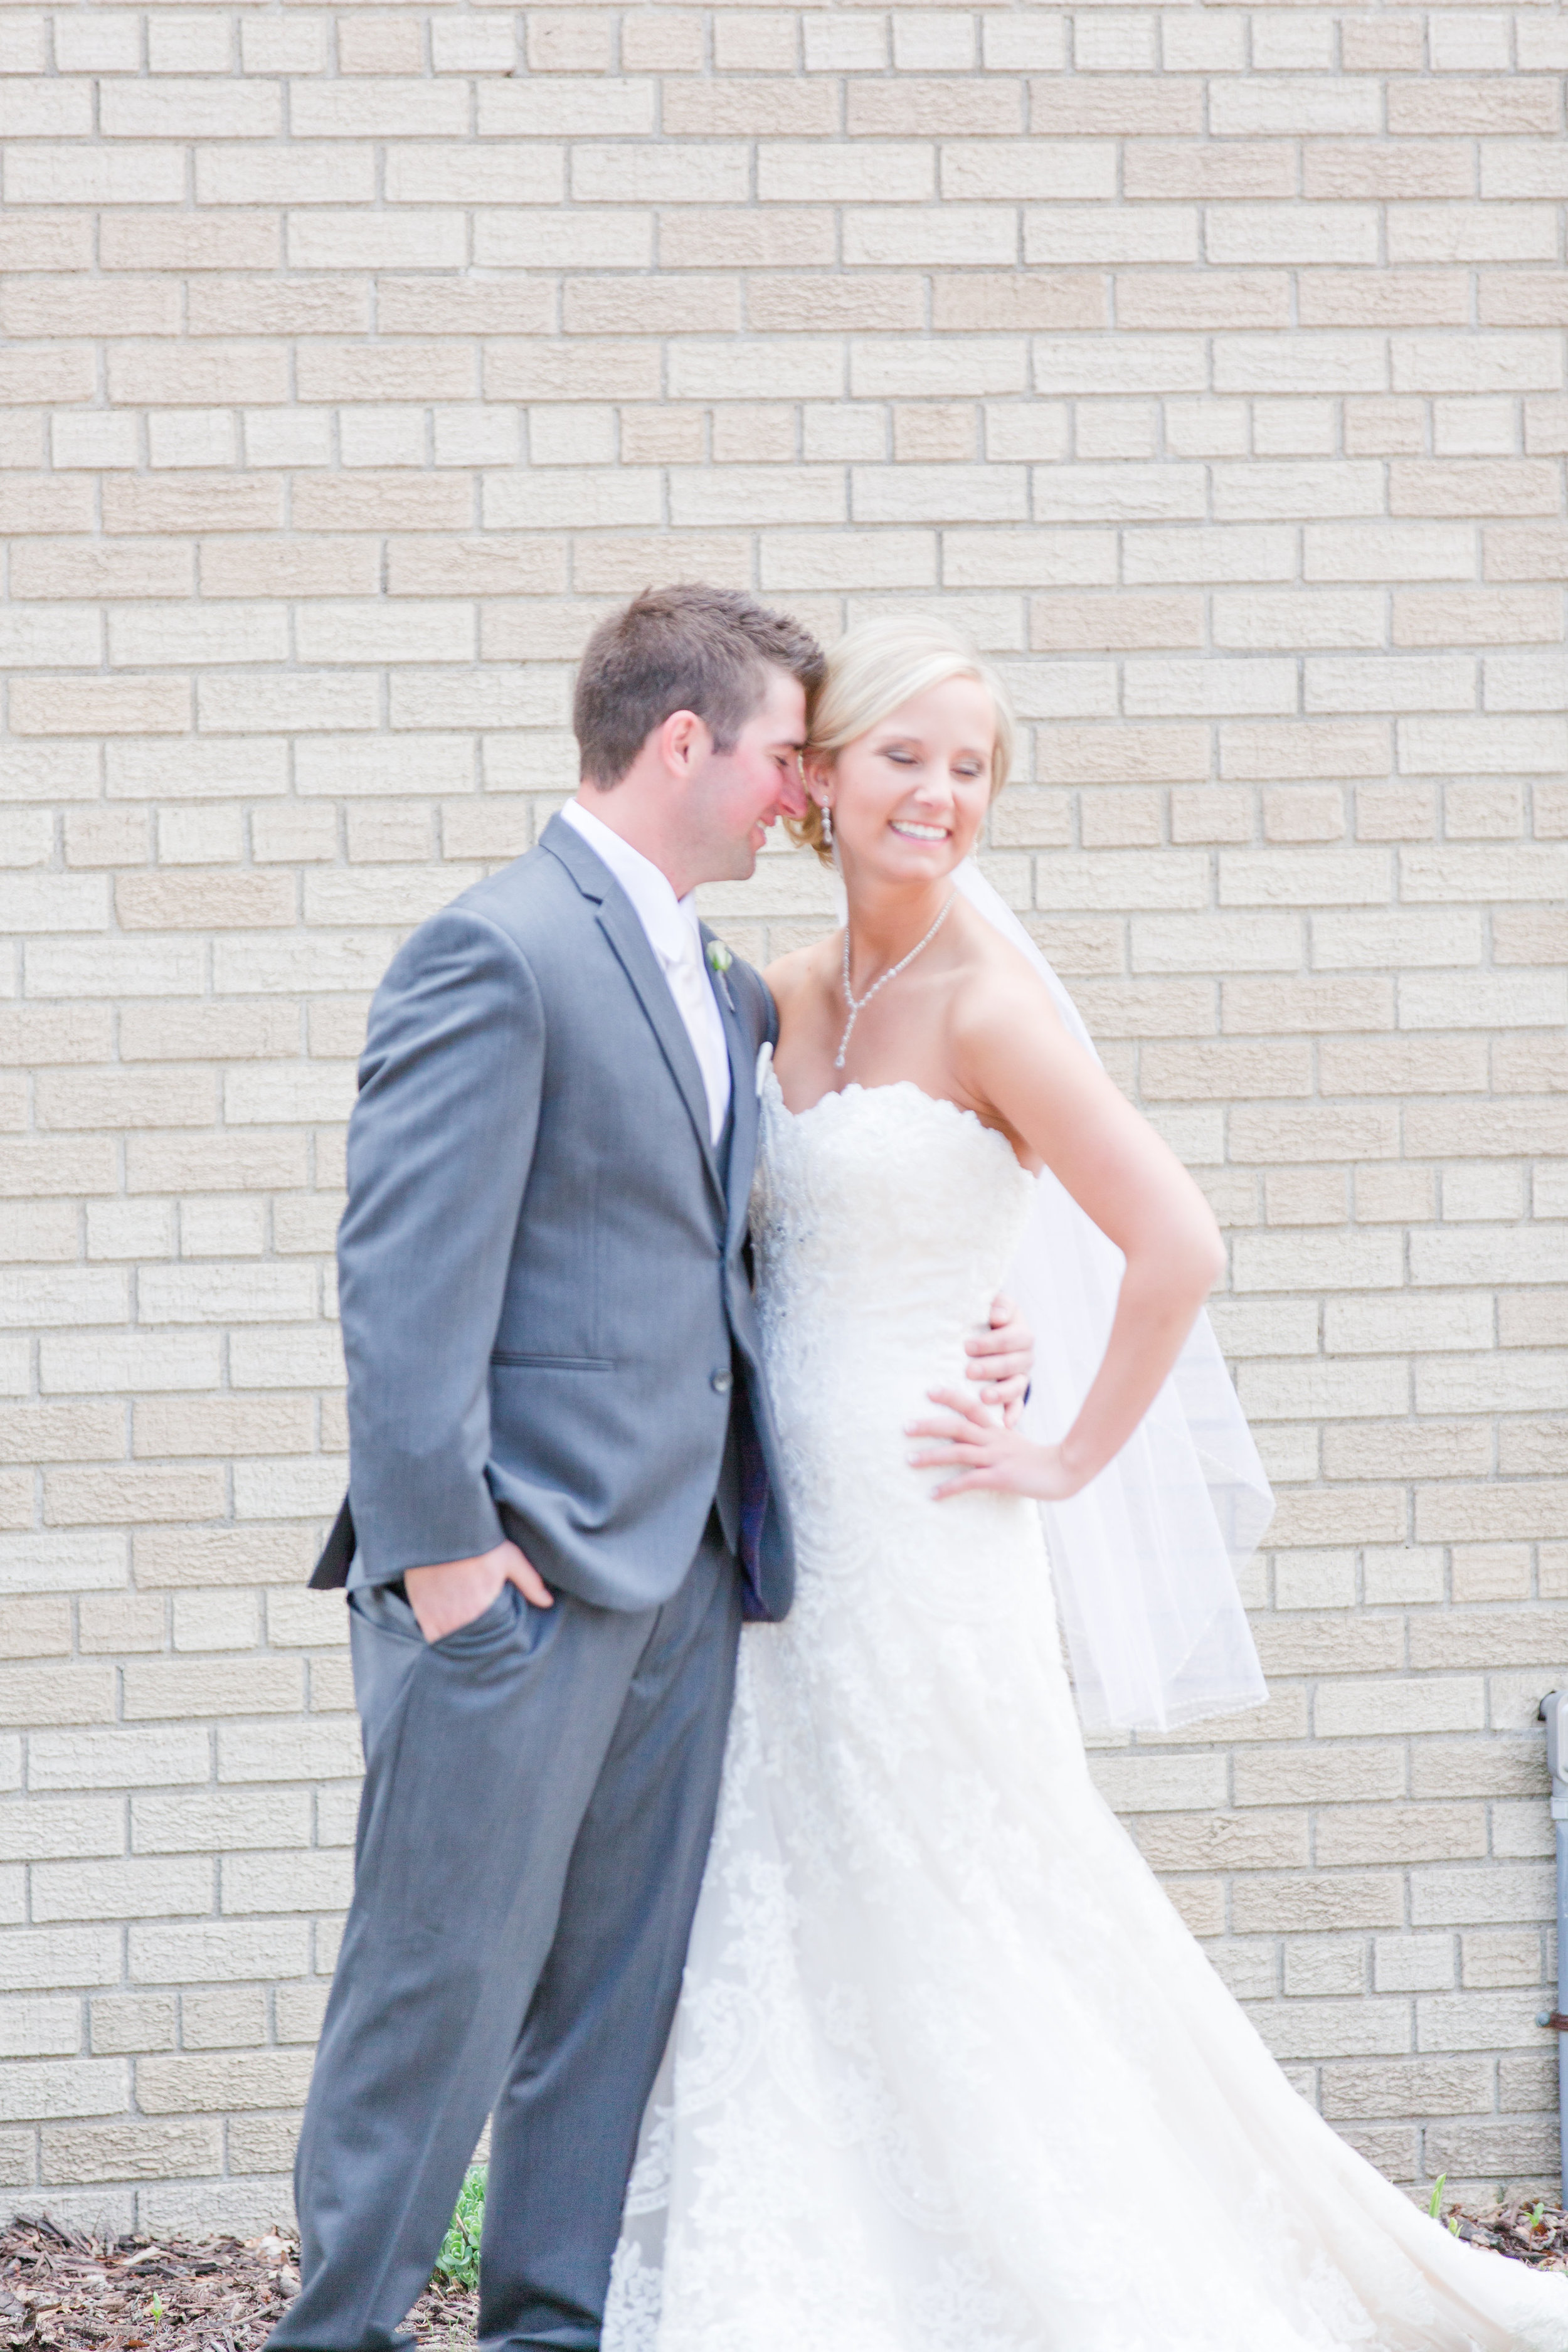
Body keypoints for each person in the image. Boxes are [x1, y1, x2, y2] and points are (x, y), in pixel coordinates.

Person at [603, 616, 1568, 2352]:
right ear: (817, 780)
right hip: (778, 1543)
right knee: (807, 1883)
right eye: (907, 755)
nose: (940, 793)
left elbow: (1173, 1243)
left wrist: (1054, 1447)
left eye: (970, 767)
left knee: (972, 1884)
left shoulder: (986, 1002)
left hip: (928, 1522)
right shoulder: (789, 992)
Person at [267, 586, 1036, 2352]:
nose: (799, 792)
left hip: (693, 1574)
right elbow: (399, 1290)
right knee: (437, 1995)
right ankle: (342, 2335)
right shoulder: (497, 950)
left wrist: (987, 1336)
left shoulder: (717, 981)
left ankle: (548, 2327)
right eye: (785, 755)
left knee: (613, 2008)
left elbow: (763, 1255)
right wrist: (446, 1562)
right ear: (684, 742)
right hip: (512, 1586)